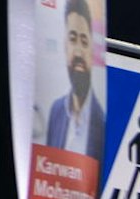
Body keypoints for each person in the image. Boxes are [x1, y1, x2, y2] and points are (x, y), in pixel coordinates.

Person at [43, 0, 106, 166]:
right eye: (72, 40)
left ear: (92, 50)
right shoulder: (56, 112)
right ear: (65, 46)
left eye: (84, 41)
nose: (78, 51)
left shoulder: (102, 124)